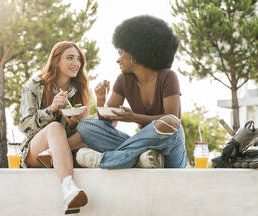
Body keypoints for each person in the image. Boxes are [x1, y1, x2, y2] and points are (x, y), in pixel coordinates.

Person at [75, 15, 188, 169]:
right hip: (143, 145)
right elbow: (106, 121)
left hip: (170, 148)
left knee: (169, 123)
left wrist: (134, 117)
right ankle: (141, 159)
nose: (118, 59)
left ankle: (106, 160)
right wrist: (101, 100)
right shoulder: (123, 80)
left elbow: (173, 119)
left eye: (121, 53)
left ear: (135, 53)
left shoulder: (168, 76)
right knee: (85, 126)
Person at [18, 41, 90, 213]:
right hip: (34, 152)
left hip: (64, 148)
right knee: (55, 127)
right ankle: (68, 188)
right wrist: (51, 109)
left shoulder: (79, 89)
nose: (76, 63)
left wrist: (75, 122)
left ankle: (52, 155)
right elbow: (25, 126)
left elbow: (82, 131)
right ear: (56, 61)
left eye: (78, 59)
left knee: (91, 129)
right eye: (70, 58)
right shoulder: (35, 85)